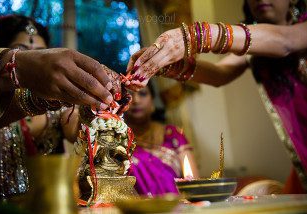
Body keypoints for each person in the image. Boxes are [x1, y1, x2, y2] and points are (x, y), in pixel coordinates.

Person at [126, 0, 307, 193]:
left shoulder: (298, 31)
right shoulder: (256, 49)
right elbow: (218, 74)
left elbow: (285, 41)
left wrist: (193, 36)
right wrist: (167, 65)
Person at [0, 14, 120, 199]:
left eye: (40, 51)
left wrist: (95, 103)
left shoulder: (57, 104)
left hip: (52, 203)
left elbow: (77, 130)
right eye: (23, 51)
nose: (35, 57)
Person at [124, 81, 199, 196]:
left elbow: (193, 184)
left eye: (143, 94)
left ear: (153, 101)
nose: (136, 100)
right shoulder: (118, 140)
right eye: (129, 96)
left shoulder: (172, 135)